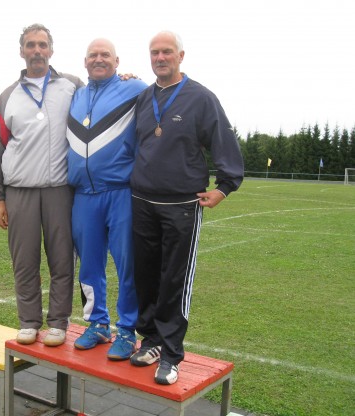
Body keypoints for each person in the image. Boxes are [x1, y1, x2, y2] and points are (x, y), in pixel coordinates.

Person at [129, 31, 244, 385]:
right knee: (145, 277)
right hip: (142, 202)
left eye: (167, 52)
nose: (160, 58)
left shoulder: (201, 98)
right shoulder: (143, 97)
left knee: (174, 280)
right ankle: (150, 341)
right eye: (154, 53)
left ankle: (171, 353)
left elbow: (223, 140)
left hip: (181, 205)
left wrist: (224, 187)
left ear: (181, 56)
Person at [0, 23, 84, 347]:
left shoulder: (73, 86)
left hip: (60, 190)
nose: (37, 51)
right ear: (22, 52)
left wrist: (123, 79)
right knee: (24, 262)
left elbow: (100, 100)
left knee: (62, 261)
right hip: (20, 191)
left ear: (51, 50)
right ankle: (28, 321)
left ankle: (58, 323)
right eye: (31, 45)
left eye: (42, 45)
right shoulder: (7, 96)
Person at [66, 38, 147, 360]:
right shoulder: (75, 95)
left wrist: (134, 77)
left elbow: (163, 98)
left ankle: (127, 330)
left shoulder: (134, 88)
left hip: (120, 193)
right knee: (89, 265)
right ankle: (98, 324)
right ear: (85, 62)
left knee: (128, 265)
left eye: (105, 55)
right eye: (93, 55)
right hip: (83, 196)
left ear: (117, 61)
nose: (99, 59)